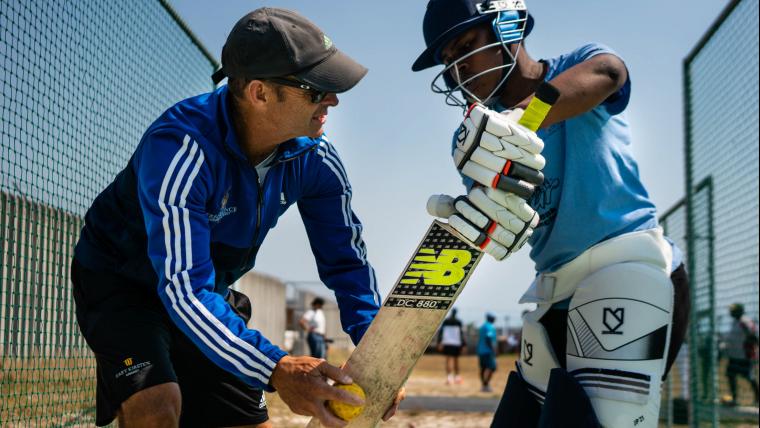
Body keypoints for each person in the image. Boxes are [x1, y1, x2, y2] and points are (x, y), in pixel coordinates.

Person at [70, 8, 403, 427]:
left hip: (205, 289)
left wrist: (382, 354)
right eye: (316, 89)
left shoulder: (316, 159)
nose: (332, 99)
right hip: (124, 284)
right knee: (156, 410)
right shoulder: (180, 148)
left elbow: (346, 263)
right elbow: (183, 290)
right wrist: (276, 367)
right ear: (260, 93)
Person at [413, 1, 690, 426]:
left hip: (628, 266)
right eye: (449, 62)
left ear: (508, 27)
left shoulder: (574, 65)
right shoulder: (473, 135)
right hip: (552, 292)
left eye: (465, 47)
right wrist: (479, 219)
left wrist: (525, 119)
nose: (458, 70)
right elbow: (508, 220)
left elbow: (610, 72)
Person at [722, 303, 759, 406]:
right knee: (730, 375)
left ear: (739, 311)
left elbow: (753, 335)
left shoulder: (745, 321)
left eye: (732, 311)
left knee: (750, 377)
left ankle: (758, 399)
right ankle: (734, 399)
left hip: (745, 356)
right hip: (734, 356)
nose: (730, 312)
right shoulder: (735, 322)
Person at [437, 308, 467, 385]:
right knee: (456, 361)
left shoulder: (446, 321)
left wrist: (439, 342)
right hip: (456, 343)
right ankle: (456, 377)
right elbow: (462, 333)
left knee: (448, 360)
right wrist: (464, 344)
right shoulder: (458, 322)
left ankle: (449, 378)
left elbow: (441, 332)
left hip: (447, 342)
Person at [478, 313, 499, 392]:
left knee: (483, 368)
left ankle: (484, 385)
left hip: (481, 350)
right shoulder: (489, 327)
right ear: (491, 319)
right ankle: (486, 384)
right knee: (492, 367)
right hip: (488, 351)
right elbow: (488, 339)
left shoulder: (483, 326)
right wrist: (494, 350)